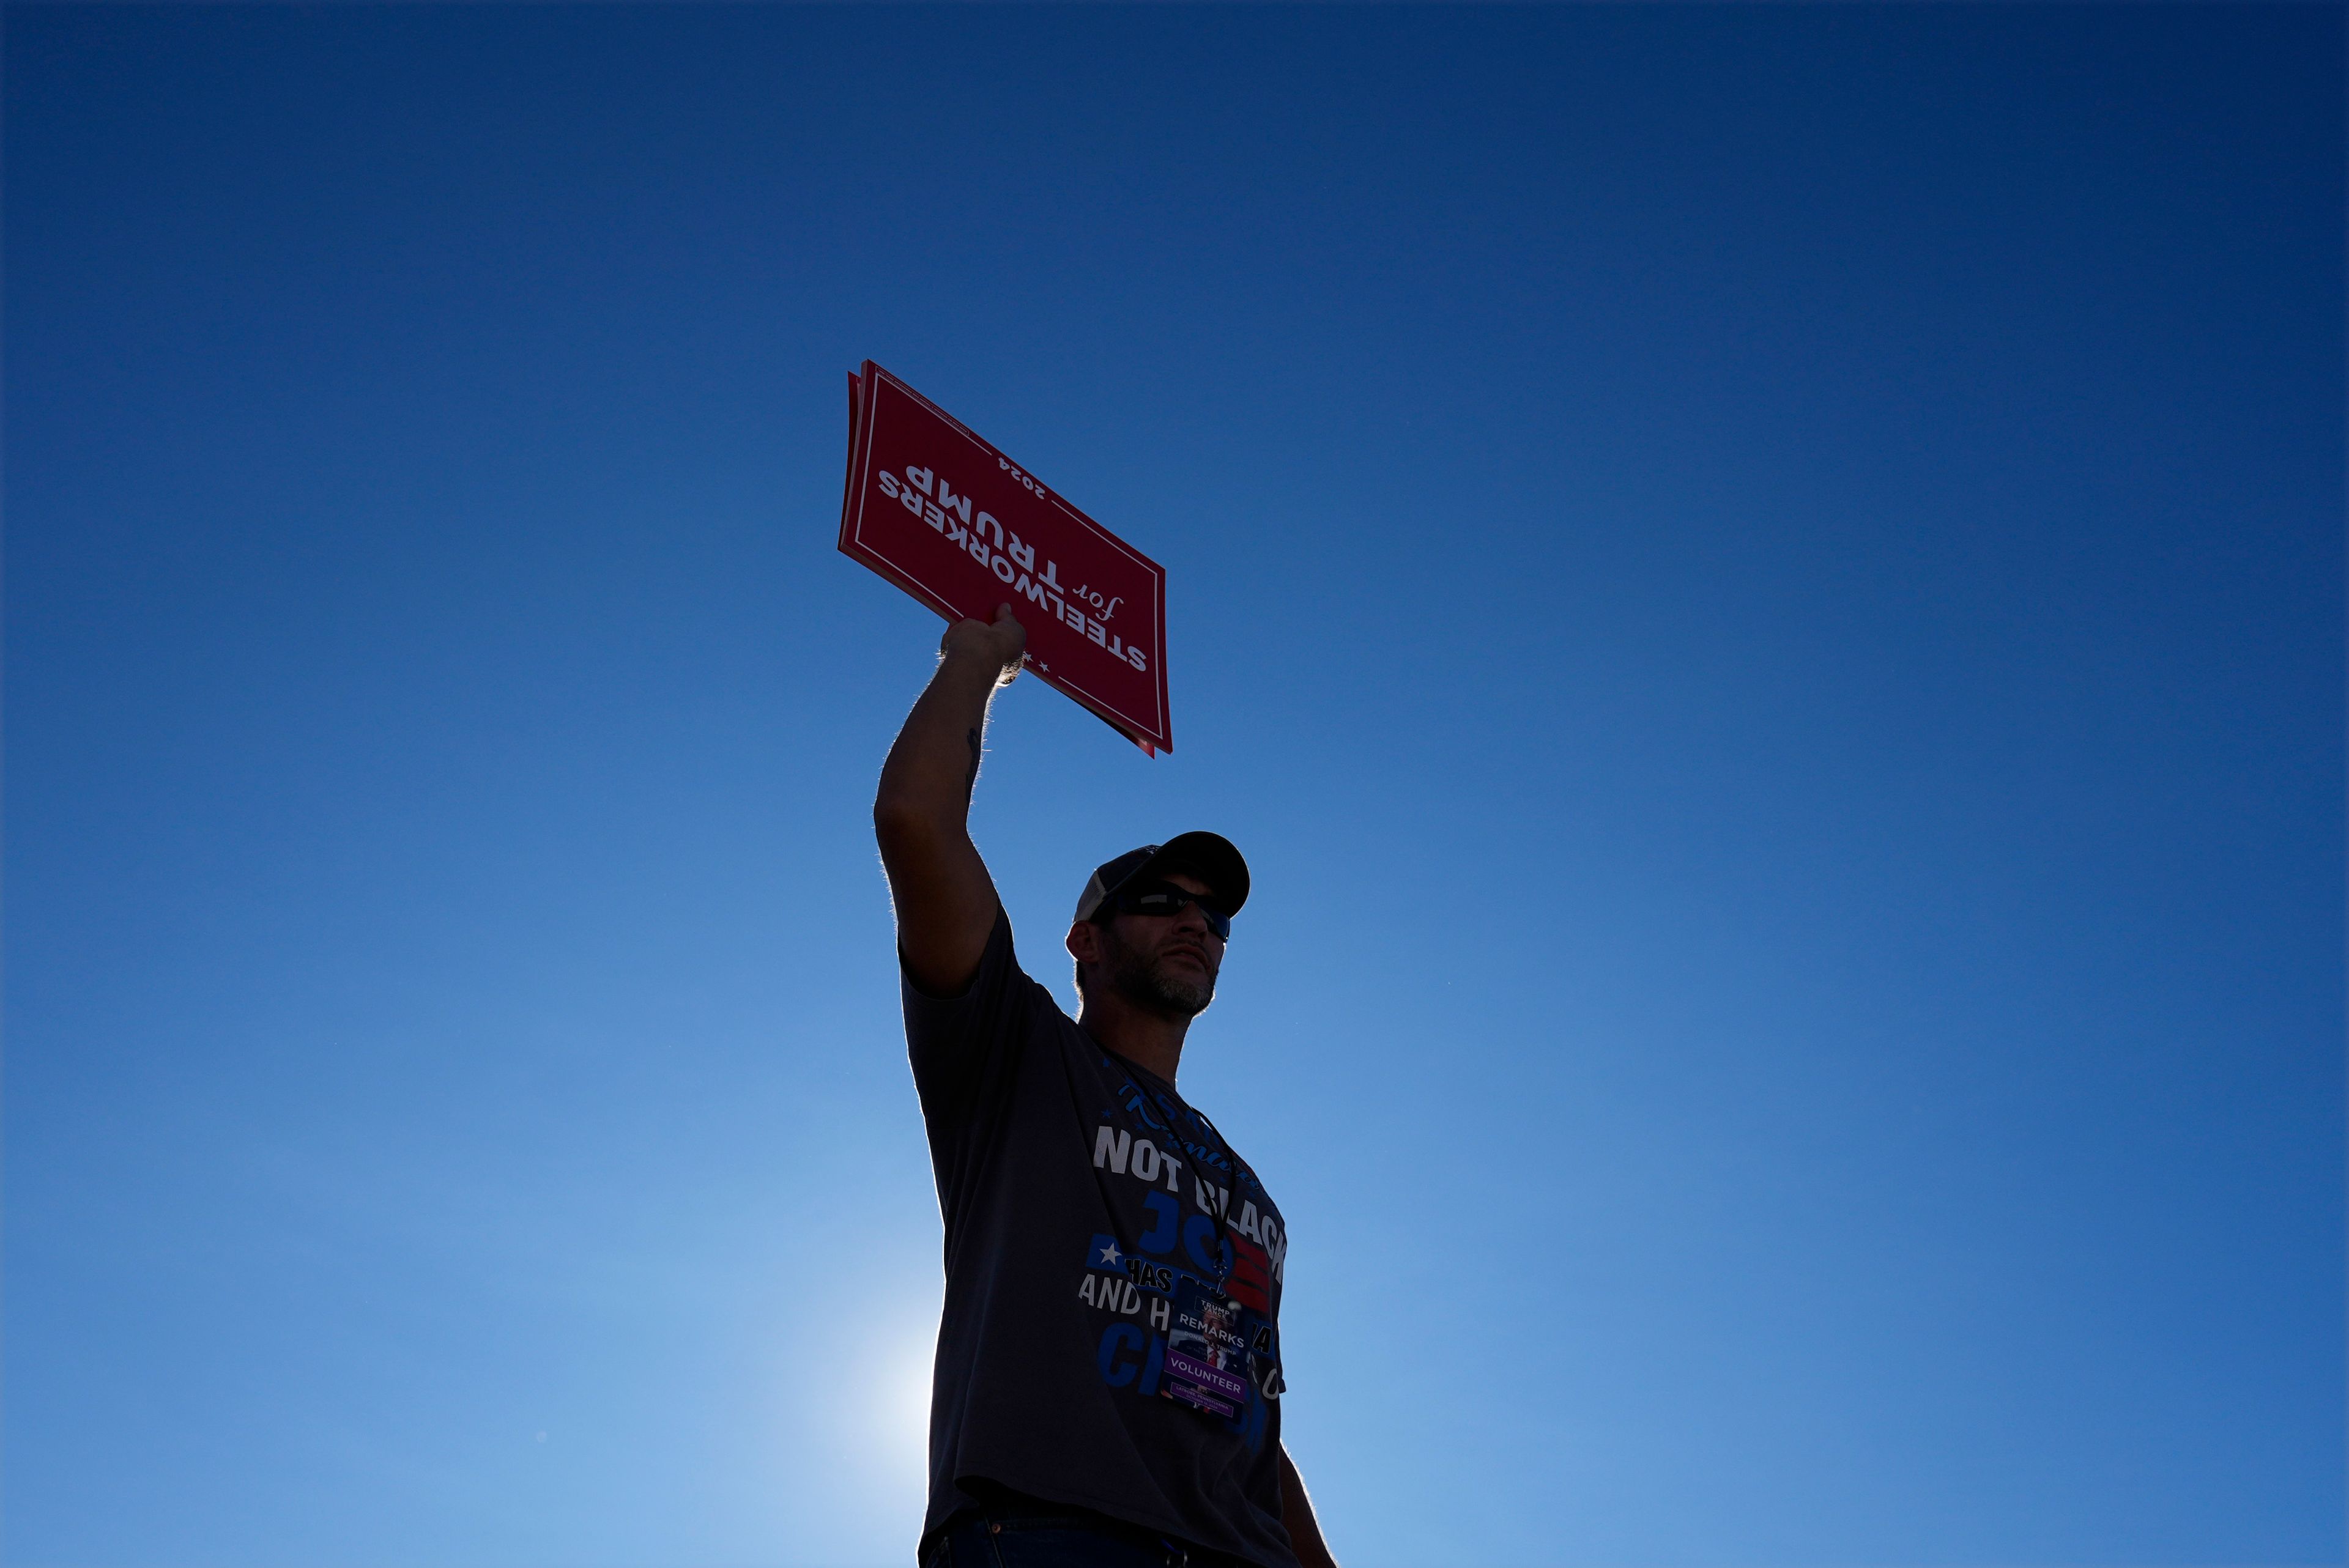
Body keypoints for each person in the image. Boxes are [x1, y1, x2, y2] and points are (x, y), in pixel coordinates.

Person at [875, 604, 1340, 1568]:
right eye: (1159, 902)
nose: (1196, 925)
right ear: (1084, 940)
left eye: (1215, 918)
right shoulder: (1016, 1054)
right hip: (1053, 1534)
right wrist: (976, 660)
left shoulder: (1247, 1189)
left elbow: (1248, 1406)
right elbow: (917, 820)